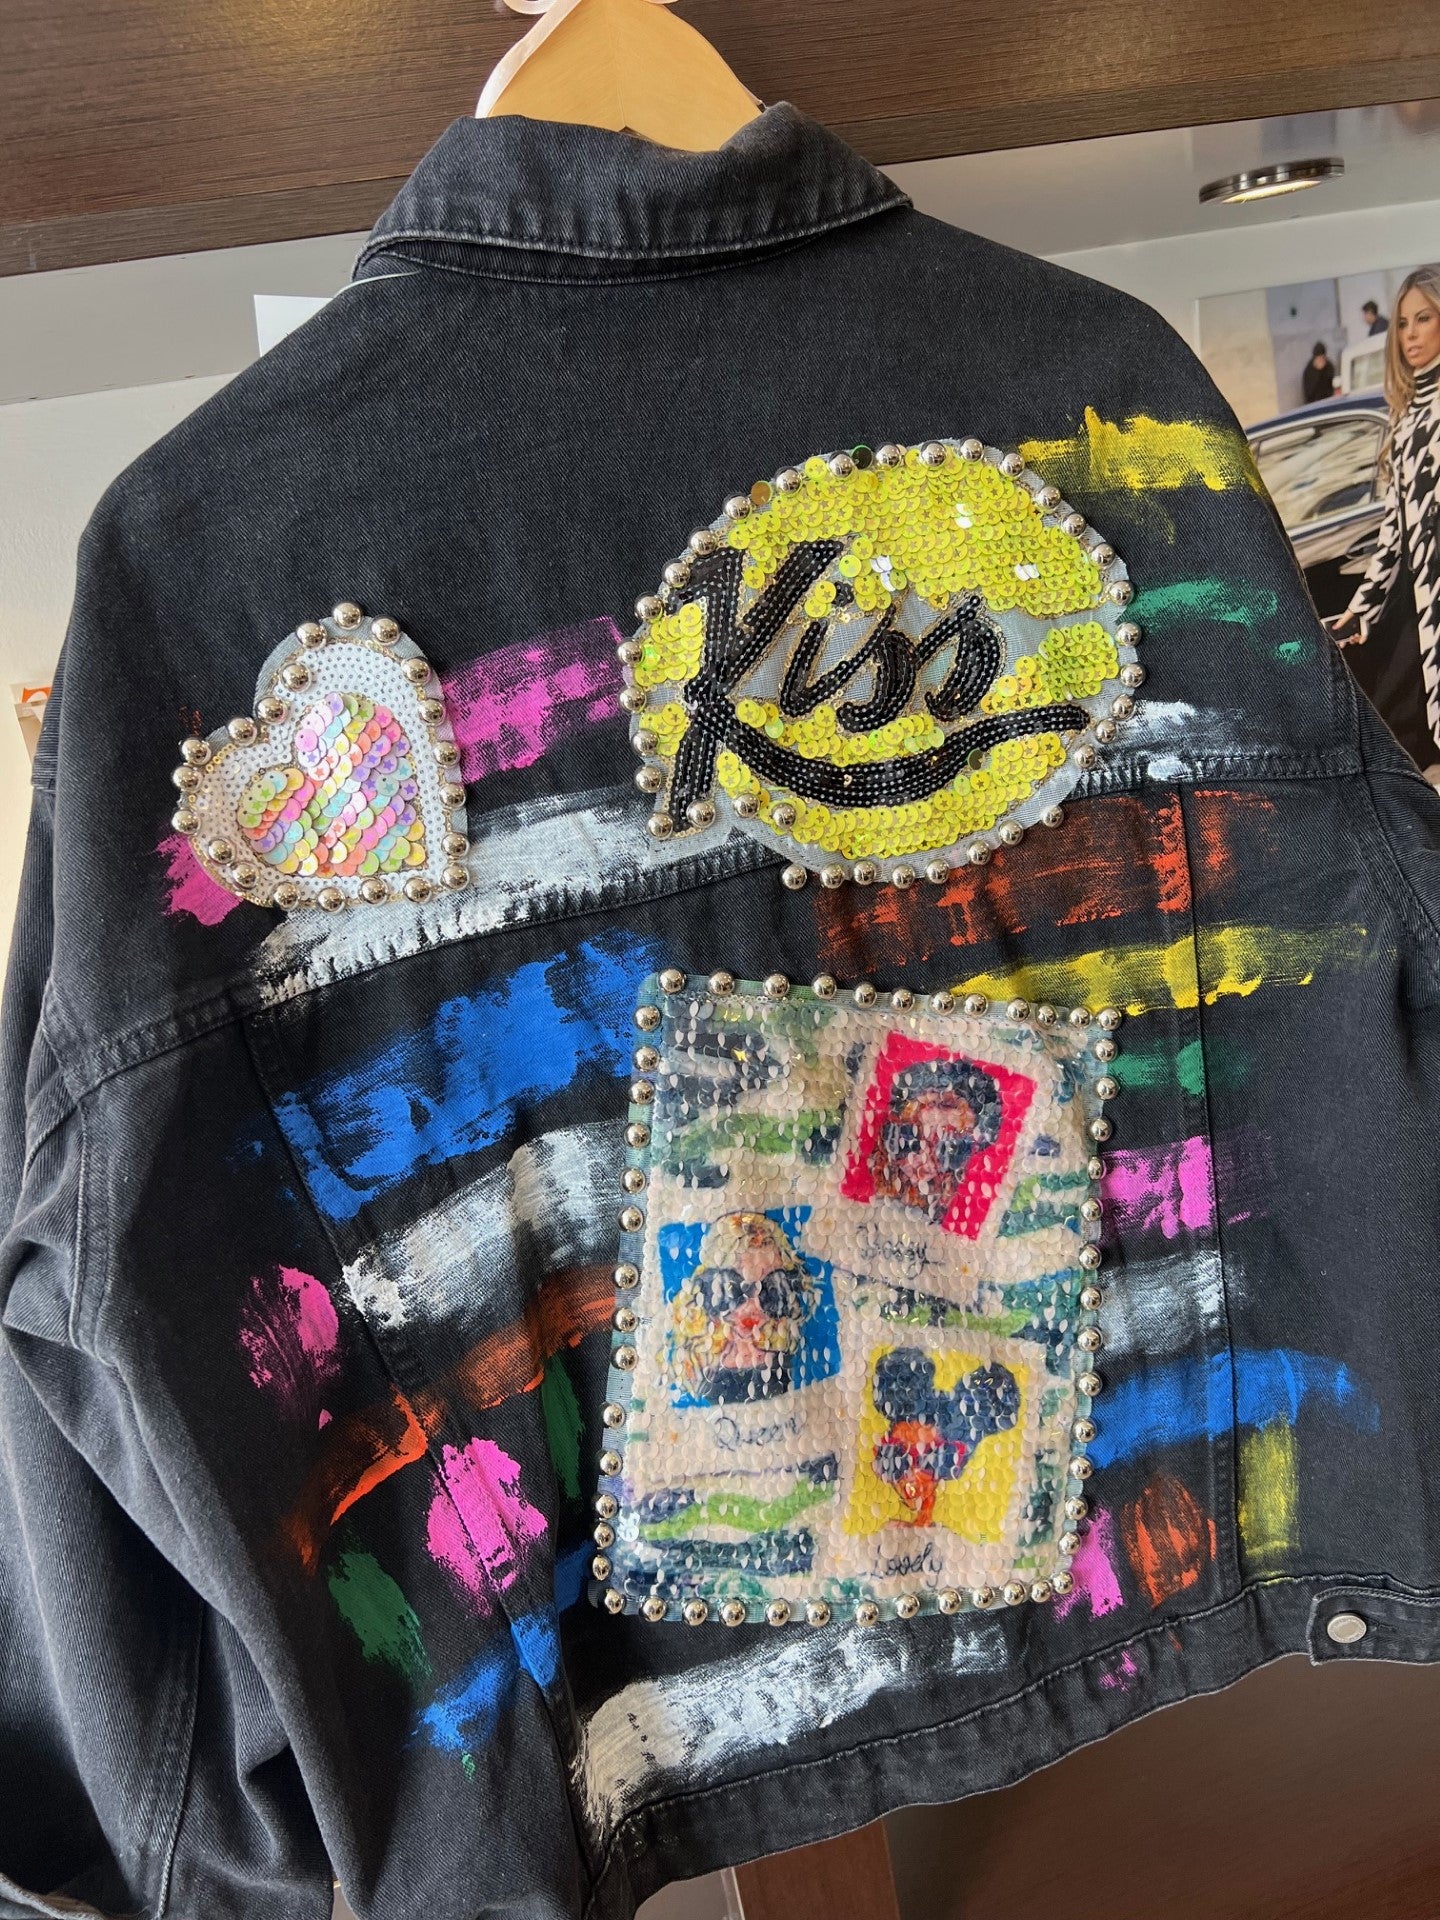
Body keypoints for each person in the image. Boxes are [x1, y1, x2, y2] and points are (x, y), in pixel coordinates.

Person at [1327, 265, 1440, 782]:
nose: (1410, 334)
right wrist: (1360, 610)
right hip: (1425, 601)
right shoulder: (1407, 415)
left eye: (1424, 318)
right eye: (1403, 323)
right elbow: (1394, 531)